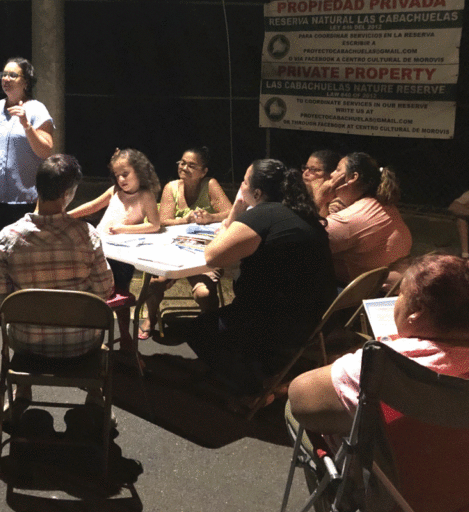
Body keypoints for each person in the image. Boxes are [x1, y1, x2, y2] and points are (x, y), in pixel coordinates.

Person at [288, 254, 469, 437]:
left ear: (416, 311)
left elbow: (300, 395)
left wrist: (348, 362)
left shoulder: (386, 364)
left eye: (401, 294)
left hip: (396, 480)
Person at [176, 159, 336, 397]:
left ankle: (253, 389)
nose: (241, 185)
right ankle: (266, 366)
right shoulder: (300, 211)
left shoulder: (264, 213)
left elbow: (212, 256)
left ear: (257, 192)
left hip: (278, 323)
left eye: (244, 181)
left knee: (197, 329)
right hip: (316, 319)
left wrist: (236, 211)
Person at [0, 154, 115, 363]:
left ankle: (23, 388)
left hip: (26, 342)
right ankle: (94, 392)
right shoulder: (87, 235)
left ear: (37, 187)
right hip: (82, 341)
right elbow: (104, 290)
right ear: (67, 194)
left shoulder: (8, 237)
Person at [139, 146, 233, 339]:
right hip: (174, 252)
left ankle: (210, 327)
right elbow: (163, 220)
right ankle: (151, 318)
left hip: (203, 254)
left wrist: (210, 217)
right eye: (182, 163)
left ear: (203, 172)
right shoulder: (171, 187)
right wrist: (185, 220)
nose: (184, 167)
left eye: (192, 165)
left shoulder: (210, 185)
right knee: (155, 283)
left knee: (204, 294)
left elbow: (230, 213)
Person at [69, 148, 161, 344]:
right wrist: (67, 216)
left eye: (125, 174)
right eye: (117, 175)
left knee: (121, 292)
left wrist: (124, 229)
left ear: (140, 171)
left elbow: (154, 224)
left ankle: (125, 336)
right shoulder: (114, 191)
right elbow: (92, 206)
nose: (121, 180)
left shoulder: (146, 195)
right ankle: (90, 336)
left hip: (120, 256)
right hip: (99, 250)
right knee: (91, 292)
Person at [0, 57, 55, 237]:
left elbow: (46, 151)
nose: (6, 79)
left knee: (21, 254)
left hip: (23, 201)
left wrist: (26, 125)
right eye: (4, 74)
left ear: (25, 82)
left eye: (13, 75)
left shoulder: (36, 109)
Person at [322, 152, 412, 286]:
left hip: (354, 297)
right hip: (377, 288)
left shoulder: (349, 219)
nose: (331, 174)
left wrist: (321, 197)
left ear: (352, 177)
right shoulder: (383, 204)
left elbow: (309, 242)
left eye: (338, 169)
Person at [302, 149, 343, 217]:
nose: (305, 173)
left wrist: (320, 197)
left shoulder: (337, 204)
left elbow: (320, 225)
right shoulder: (303, 194)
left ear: (330, 175)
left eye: (313, 169)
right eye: (305, 168)